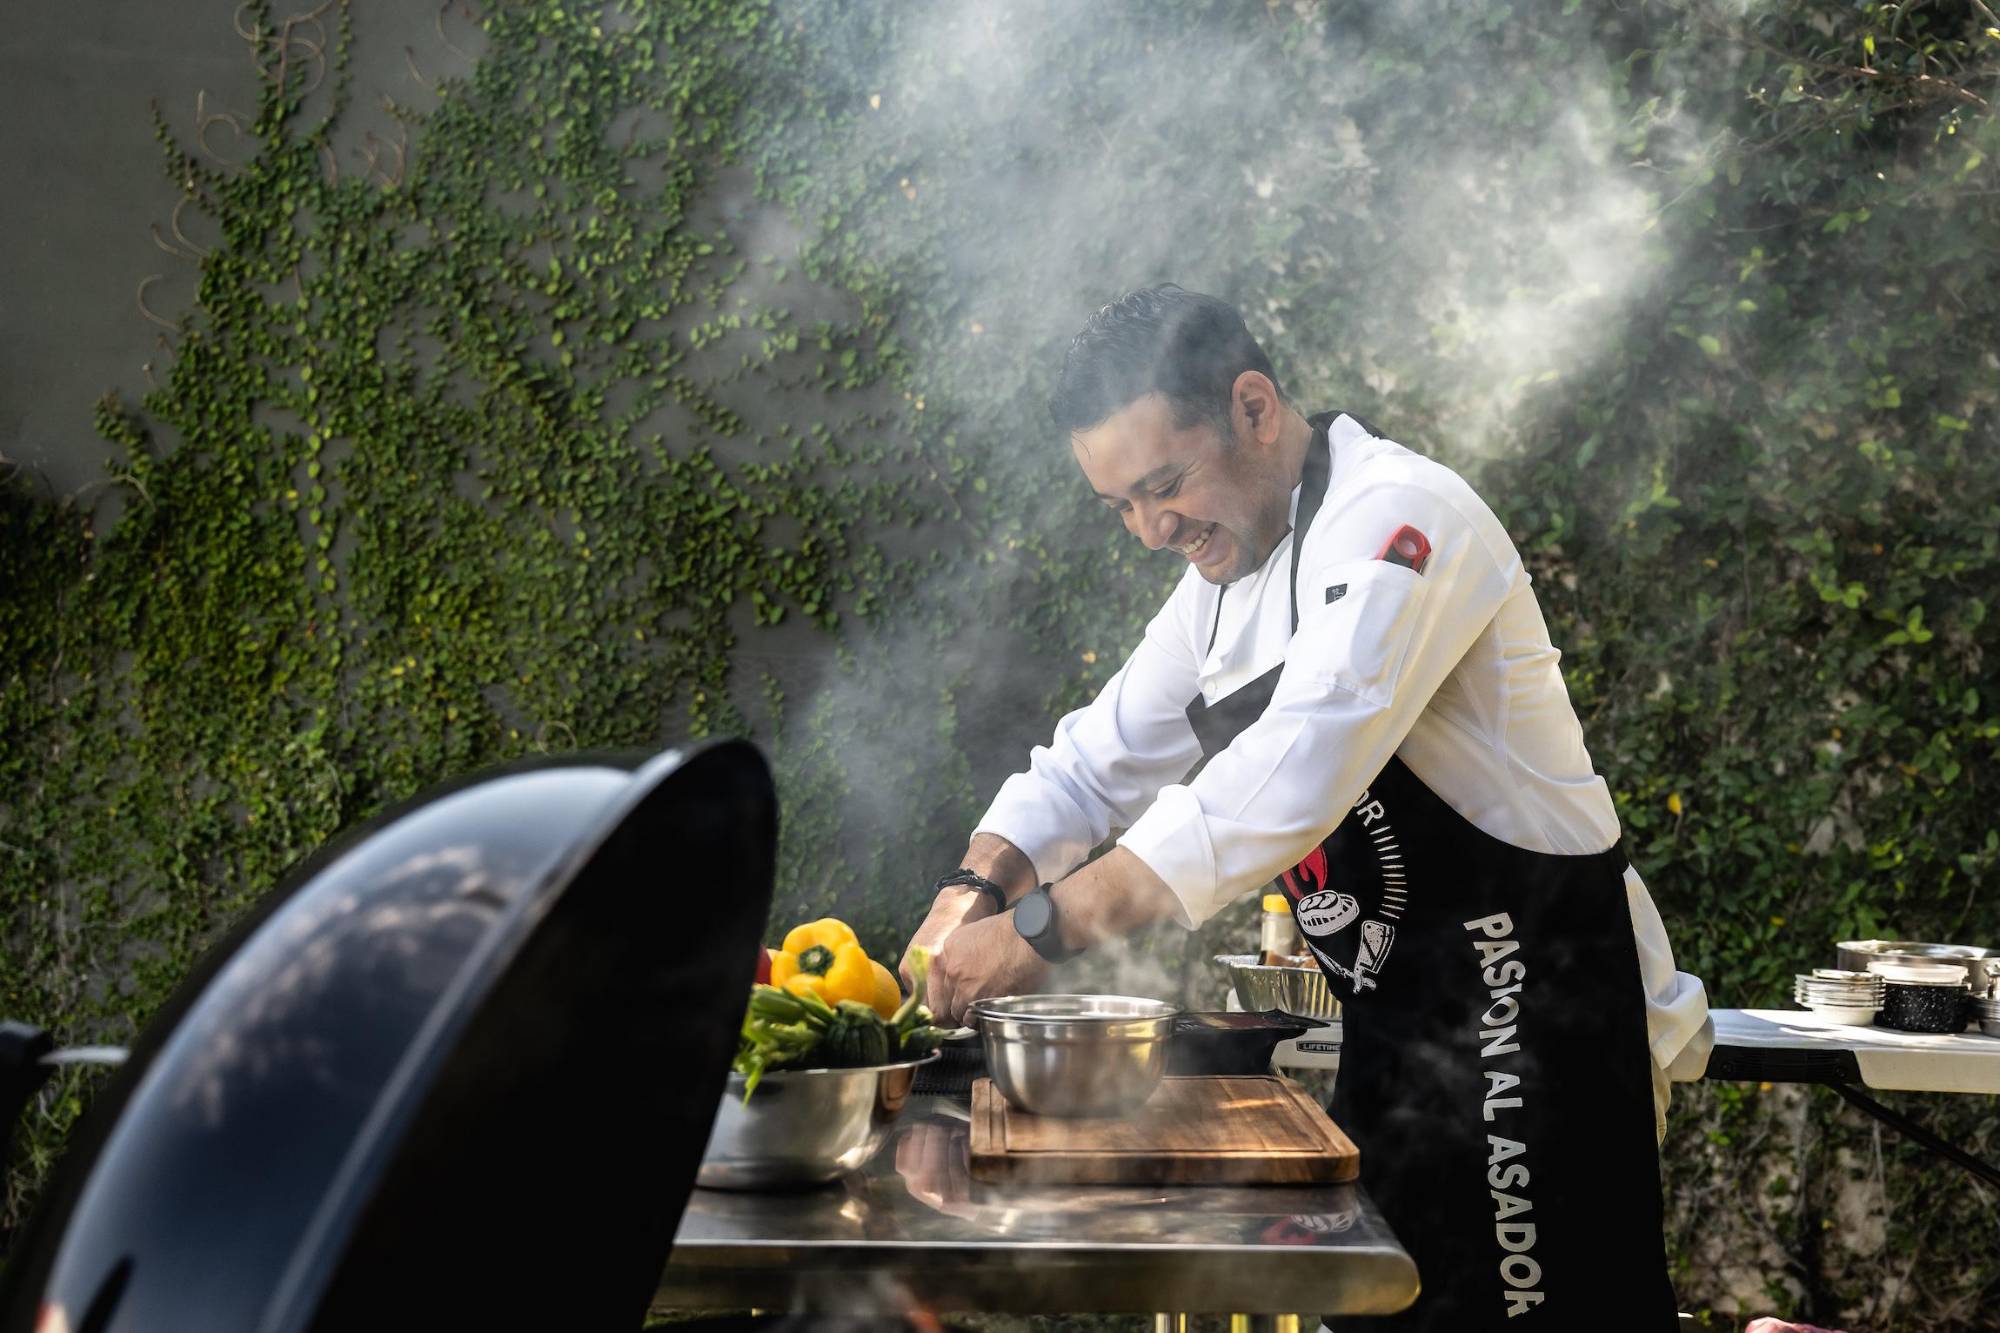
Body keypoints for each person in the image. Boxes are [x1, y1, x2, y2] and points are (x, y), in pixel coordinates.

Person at [899, 284, 1709, 1330]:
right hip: (1400, 1028)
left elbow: (1293, 768)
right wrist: (972, 890)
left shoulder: (1399, 519)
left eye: (1163, 484)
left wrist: (1042, 930)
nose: (1150, 528)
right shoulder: (1224, 587)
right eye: (1120, 507)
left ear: (1252, 405)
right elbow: (1087, 764)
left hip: (1532, 1018)